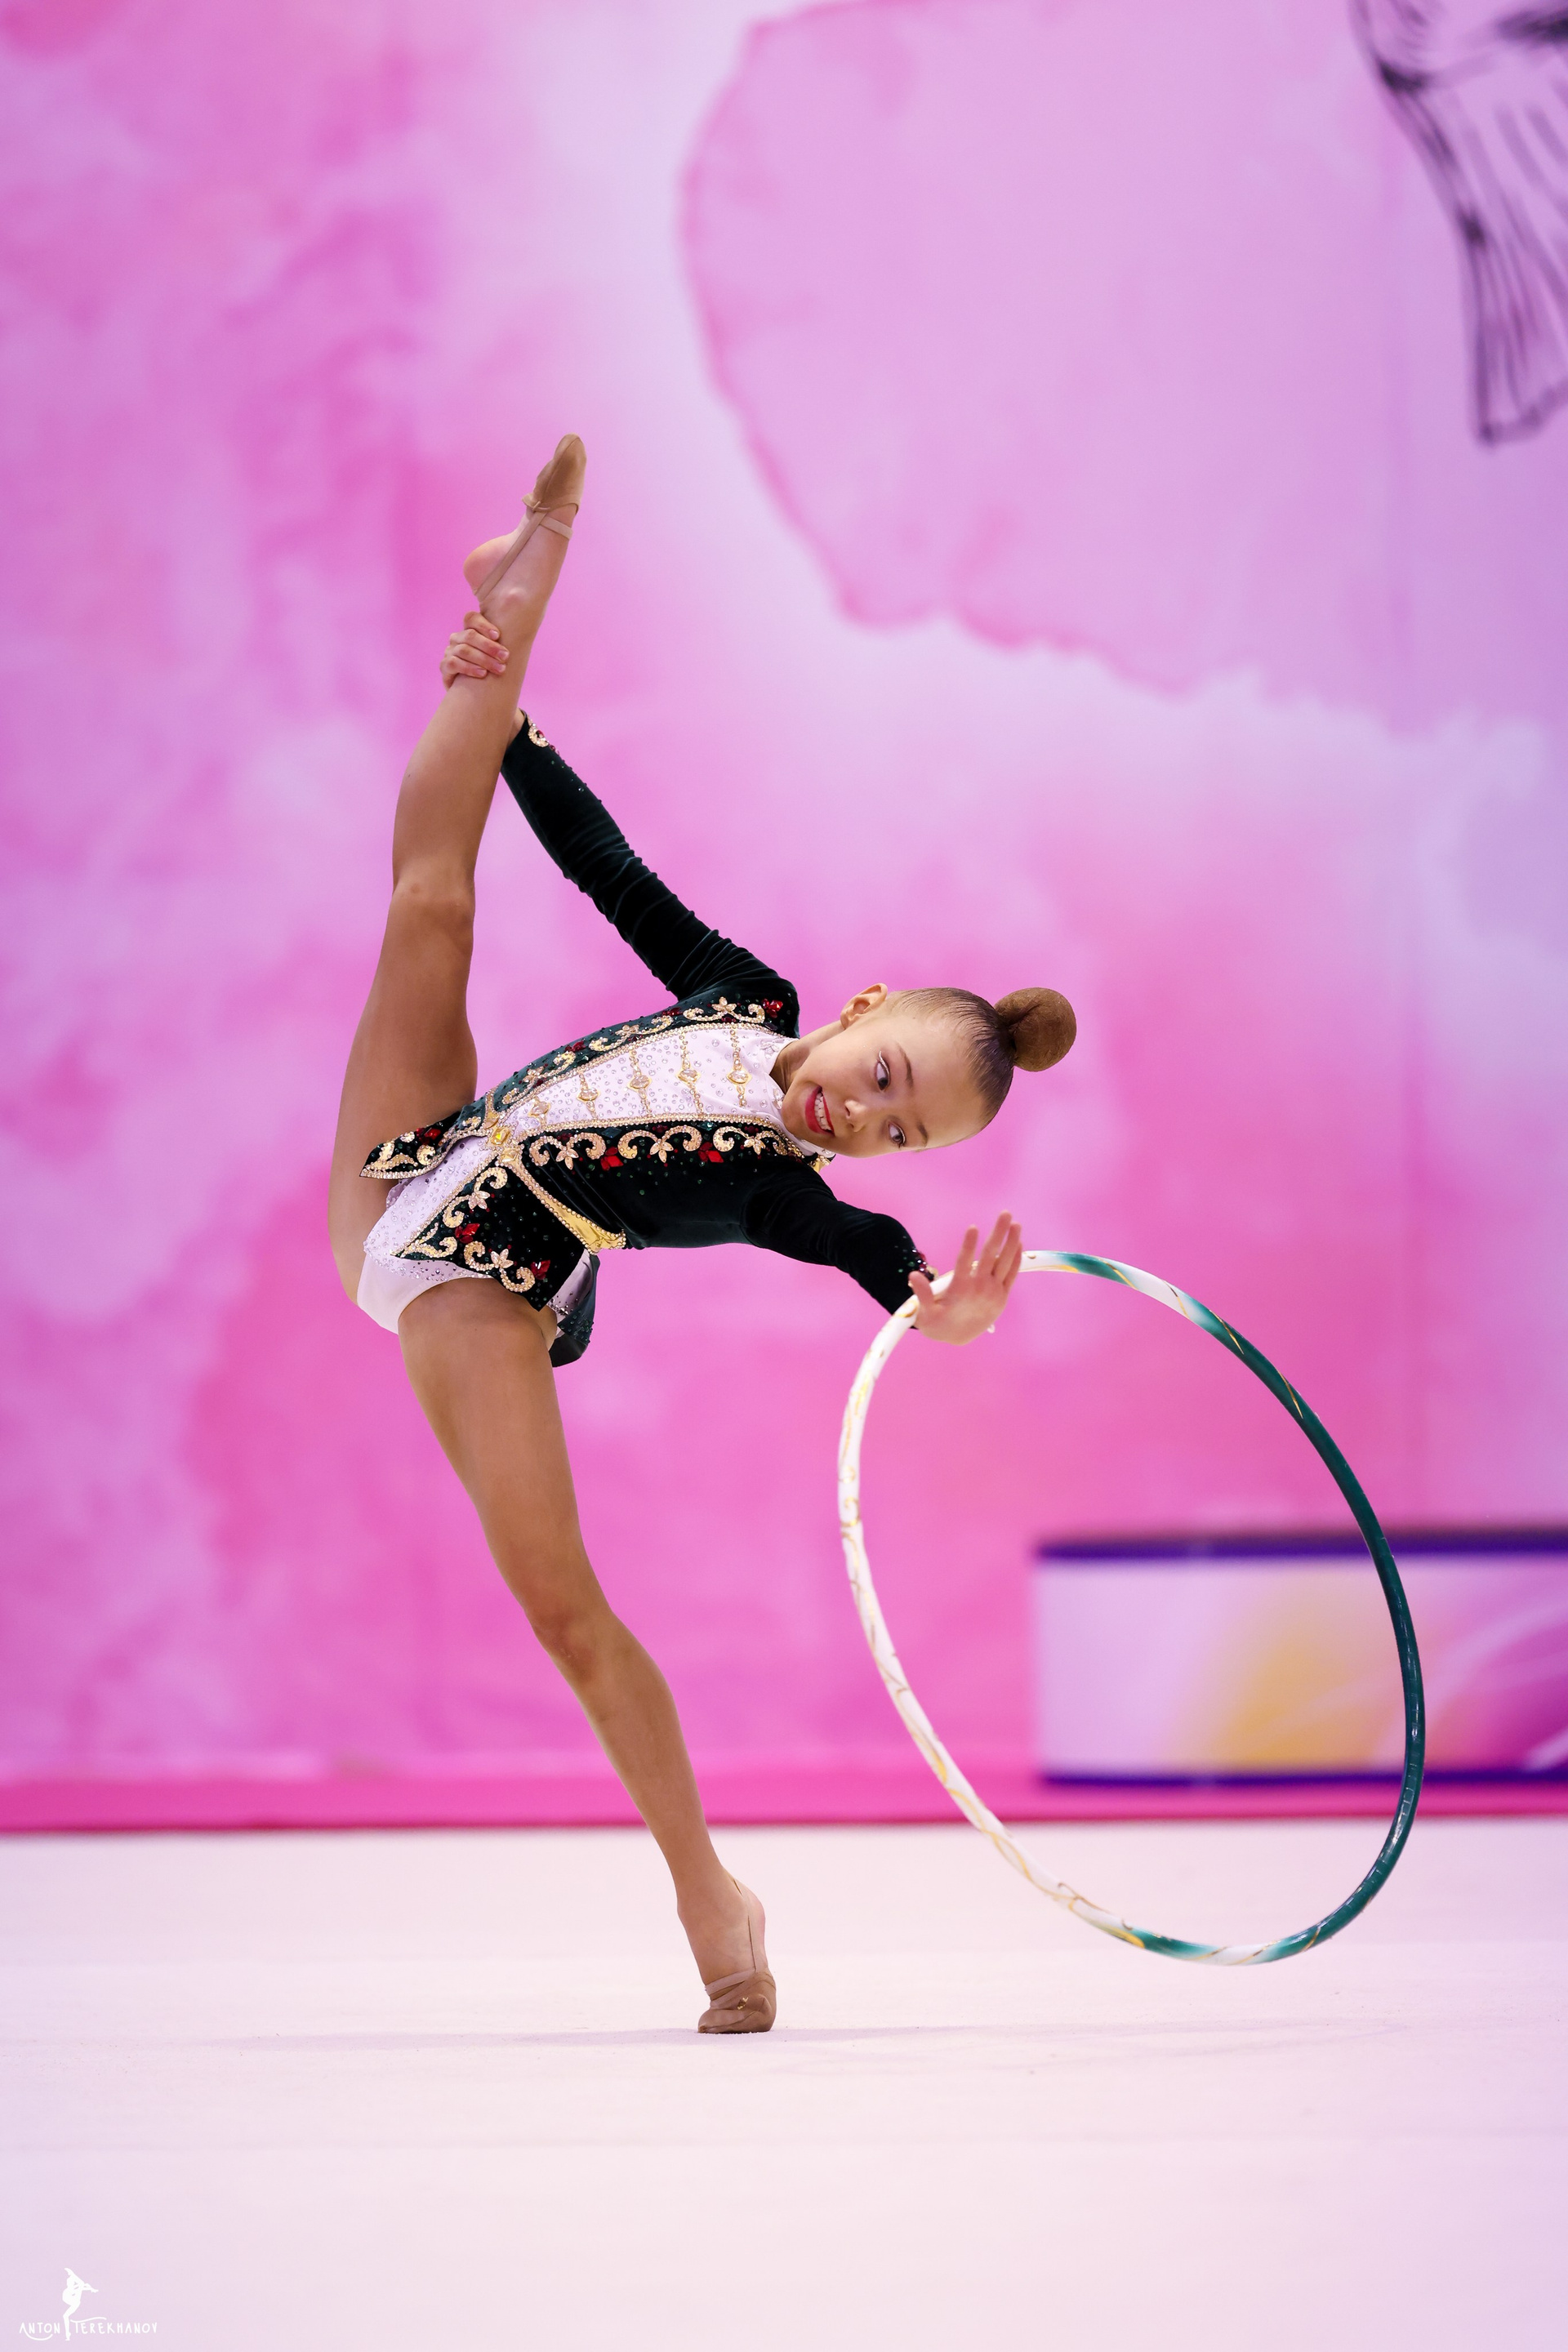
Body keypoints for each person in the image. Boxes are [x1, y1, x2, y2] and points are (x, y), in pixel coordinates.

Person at [327, 435, 1076, 2034]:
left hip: (482, 1286)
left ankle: (711, 1903)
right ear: (860, 1010)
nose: (861, 1119)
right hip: (414, 1159)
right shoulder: (744, 996)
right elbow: (609, 870)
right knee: (430, 907)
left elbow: (866, 1251)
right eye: (883, 1079)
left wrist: (932, 1308)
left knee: (565, 1613)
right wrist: (514, 731)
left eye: (899, 1132)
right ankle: (514, 600)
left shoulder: (782, 1188)